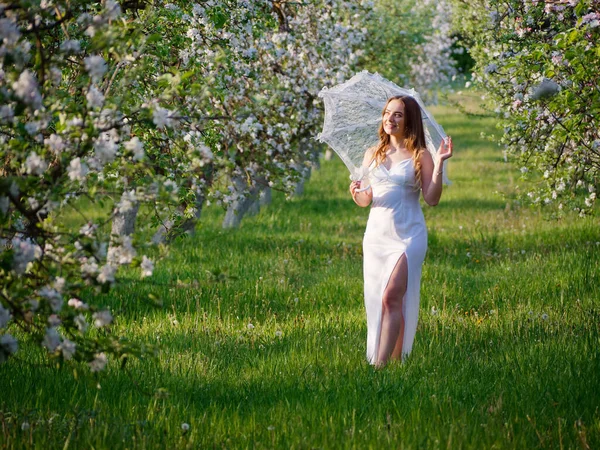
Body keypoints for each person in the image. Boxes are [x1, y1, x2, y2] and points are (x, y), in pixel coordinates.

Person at [349, 95, 453, 367]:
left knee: (391, 295)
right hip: (376, 236)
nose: (390, 119)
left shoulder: (421, 155)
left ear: (409, 121)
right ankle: (396, 362)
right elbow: (367, 199)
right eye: (387, 113)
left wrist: (439, 164)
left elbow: (431, 198)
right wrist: (357, 194)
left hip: (408, 235)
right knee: (382, 299)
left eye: (397, 114)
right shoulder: (372, 154)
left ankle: (378, 367)